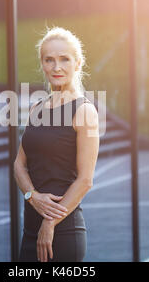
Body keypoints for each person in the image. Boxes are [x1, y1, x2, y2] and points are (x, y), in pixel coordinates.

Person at [13, 26, 100, 262]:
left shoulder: (84, 111)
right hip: (30, 231)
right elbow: (19, 164)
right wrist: (32, 196)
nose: (56, 67)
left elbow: (85, 180)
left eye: (64, 59)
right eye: (49, 60)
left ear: (78, 63)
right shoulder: (36, 109)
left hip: (62, 232)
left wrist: (49, 223)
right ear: (42, 64)